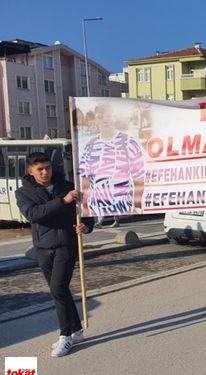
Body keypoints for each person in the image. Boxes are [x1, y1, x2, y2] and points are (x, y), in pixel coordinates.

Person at [15, 152, 94, 357]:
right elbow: (34, 214)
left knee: (58, 289)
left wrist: (85, 226)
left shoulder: (68, 186)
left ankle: (65, 336)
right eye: (40, 169)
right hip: (42, 247)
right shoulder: (23, 193)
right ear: (30, 171)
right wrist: (63, 201)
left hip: (66, 245)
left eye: (48, 168)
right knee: (60, 291)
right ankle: (77, 330)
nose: (45, 172)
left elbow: (85, 211)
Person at [79, 103, 145, 218]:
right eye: (100, 117)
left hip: (124, 208)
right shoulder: (90, 145)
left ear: (114, 117)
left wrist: (137, 205)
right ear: (96, 120)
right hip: (96, 209)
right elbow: (85, 181)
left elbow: (139, 178)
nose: (105, 120)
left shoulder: (129, 142)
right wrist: (85, 208)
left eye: (109, 116)